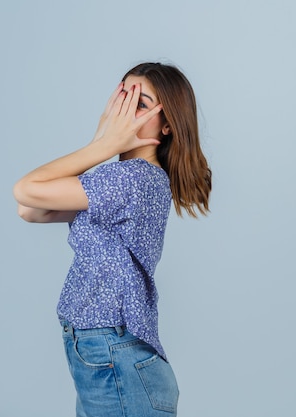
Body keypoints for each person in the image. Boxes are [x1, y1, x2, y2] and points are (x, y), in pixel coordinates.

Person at [13, 62, 211, 417]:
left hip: (113, 355)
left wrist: (104, 145)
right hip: (108, 355)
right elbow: (30, 208)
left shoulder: (132, 180)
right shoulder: (121, 179)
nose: (124, 111)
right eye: (122, 95)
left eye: (140, 103)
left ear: (167, 125)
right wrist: (101, 143)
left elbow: (25, 188)